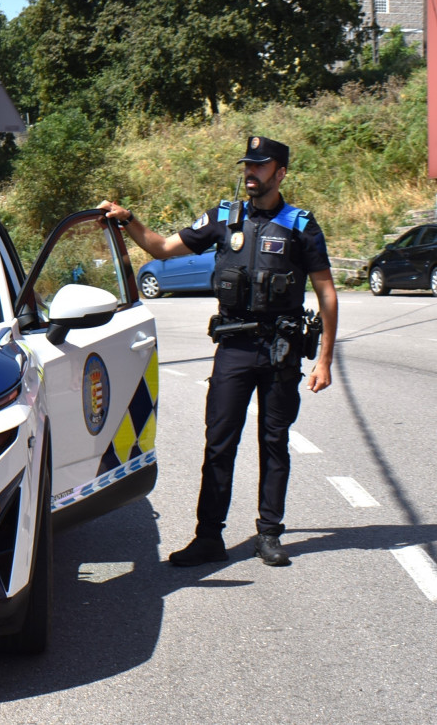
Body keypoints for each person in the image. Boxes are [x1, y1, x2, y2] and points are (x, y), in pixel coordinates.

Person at [99, 136, 338, 567]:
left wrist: (324, 359)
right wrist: (127, 219)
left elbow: (326, 291)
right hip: (234, 347)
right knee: (219, 443)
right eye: (248, 164)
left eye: (261, 166)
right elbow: (161, 247)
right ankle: (208, 537)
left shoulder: (301, 226)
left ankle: (269, 534)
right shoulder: (223, 219)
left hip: (281, 351)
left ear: (280, 173)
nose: (251, 172)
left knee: (274, 442)